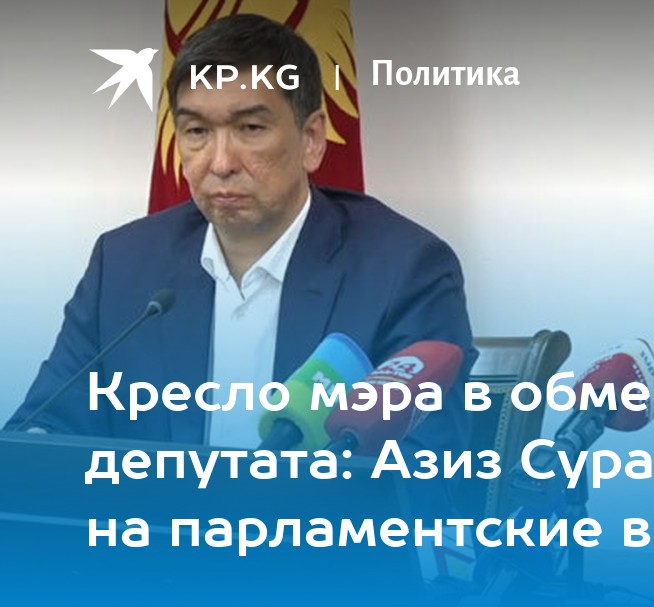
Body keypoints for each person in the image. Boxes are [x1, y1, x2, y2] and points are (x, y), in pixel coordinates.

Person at [4, 15, 476, 511]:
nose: (221, 162)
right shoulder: (123, 265)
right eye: (197, 131)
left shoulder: (405, 269)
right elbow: (47, 427)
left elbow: (426, 478)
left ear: (312, 138)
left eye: (250, 128)